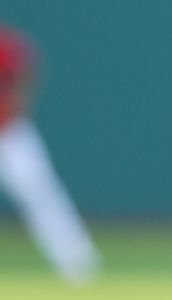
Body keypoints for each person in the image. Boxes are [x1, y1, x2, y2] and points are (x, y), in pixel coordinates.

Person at [0, 24, 101, 284]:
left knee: (41, 194)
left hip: (9, 132)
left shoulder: (5, 43)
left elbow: (26, 70)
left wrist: (20, 101)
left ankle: (77, 261)